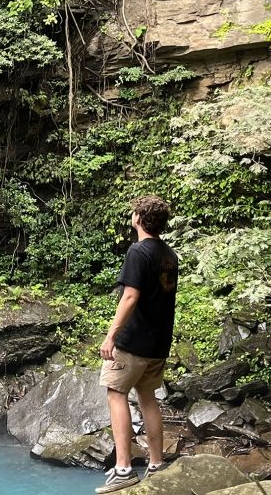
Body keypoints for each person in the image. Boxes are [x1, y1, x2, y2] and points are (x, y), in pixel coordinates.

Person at [95, 195, 179, 494]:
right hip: (158, 343)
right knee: (147, 398)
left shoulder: (138, 251)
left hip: (134, 342)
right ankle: (156, 465)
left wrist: (111, 336)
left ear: (138, 218)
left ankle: (124, 469)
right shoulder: (169, 254)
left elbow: (131, 296)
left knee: (116, 393)